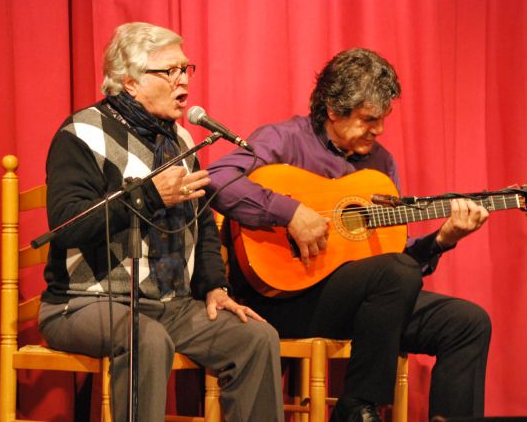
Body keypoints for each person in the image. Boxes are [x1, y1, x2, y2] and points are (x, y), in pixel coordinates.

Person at [207, 47, 492, 421]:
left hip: (369, 307)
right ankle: (358, 408)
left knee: (468, 322)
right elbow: (218, 180)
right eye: (368, 119)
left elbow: (397, 256)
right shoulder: (283, 140)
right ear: (332, 110)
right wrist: (290, 212)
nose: (379, 130)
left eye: (383, 119)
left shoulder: (381, 163)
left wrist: (443, 239)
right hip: (283, 300)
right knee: (394, 274)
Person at [38, 22, 284, 422]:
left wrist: (214, 286)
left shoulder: (183, 141)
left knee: (256, 338)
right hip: (84, 302)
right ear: (129, 83)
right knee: (145, 339)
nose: (183, 80)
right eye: (169, 71)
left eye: (186, 69)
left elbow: (202, 221)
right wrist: (149, 196)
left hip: (170, 305)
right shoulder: (82, 134)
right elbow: (67, 224)